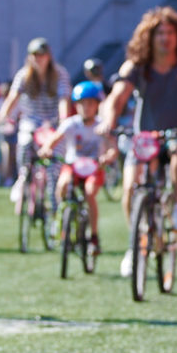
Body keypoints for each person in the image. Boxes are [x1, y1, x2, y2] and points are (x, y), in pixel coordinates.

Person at [102, 6, 177, 275]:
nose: (165, 38)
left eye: (170, 32)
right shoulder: (137, 66)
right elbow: (117, 98)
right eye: (160, 33)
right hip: (143, 138)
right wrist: (108, 123)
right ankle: (135, 245)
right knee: (130, 189)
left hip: (174, 134)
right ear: (149, 37)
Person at [0, 37, 70, 212]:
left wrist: (64, 121)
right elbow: (12, 98)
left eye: (42, 55)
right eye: (35, 55)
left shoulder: (59, 74)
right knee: (25, 143)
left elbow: (64, 99)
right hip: (31, 121)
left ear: (48, 56)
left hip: (52, 122)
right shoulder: (23, 75)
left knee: (55, 161)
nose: (39, 59)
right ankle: (23, 177)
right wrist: (0, 118)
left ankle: (54, 206)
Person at [40, 81, 113, 252]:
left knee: (89, 194)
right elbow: (54, 138)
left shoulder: (101, 125)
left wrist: (108, 156)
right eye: (81, 104)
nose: (85, 108)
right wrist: (46, 149)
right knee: (62, 186)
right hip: (73, 166)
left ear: (96, 105)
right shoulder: (71, 123)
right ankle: (60, 218)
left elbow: (112, 147)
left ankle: (93, 236)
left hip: (94, 168)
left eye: (90, 104)